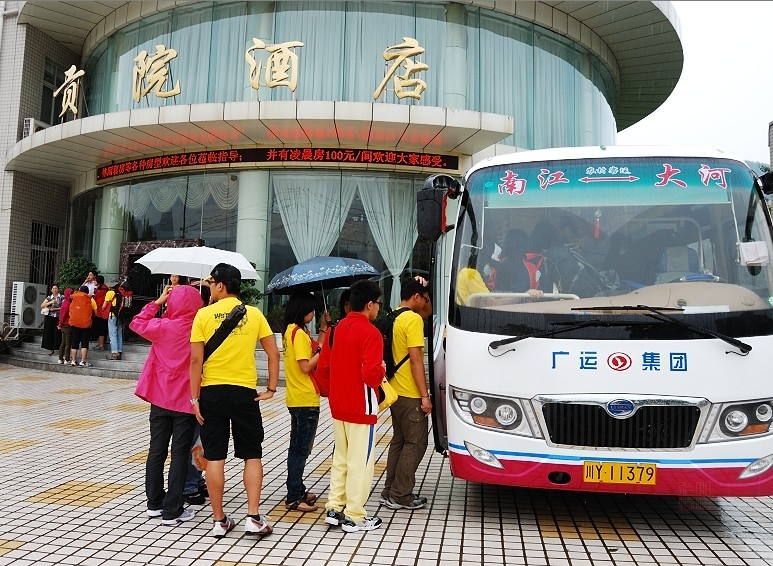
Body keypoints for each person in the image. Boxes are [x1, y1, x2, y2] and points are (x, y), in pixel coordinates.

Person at [189, 263, 280, 539]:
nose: (209, 288)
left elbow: (195, 360)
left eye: (211, 284)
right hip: (244, 393)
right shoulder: (254, 314)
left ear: (220, 285)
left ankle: (219, 521)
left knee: (215, 457)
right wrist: (271, 388)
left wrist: (194, 398)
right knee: (252, 454)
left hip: (212, 393)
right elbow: (273, 353)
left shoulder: (203, 314)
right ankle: (253, 517)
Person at [131, 284, 203, 526]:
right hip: (185, 401)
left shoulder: (162, 326)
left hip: (159, 398)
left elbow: (137, 322)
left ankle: (154, 503)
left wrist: (157, 302)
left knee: (157, 451)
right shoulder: (198, 330)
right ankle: (172, 509)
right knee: (180, 454)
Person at [324, 279, 386, 533]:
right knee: (361, 461)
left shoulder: (338, 328)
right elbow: (371, 374)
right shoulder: (371, 333)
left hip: (339, 403)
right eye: (378, 303)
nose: (379, 308)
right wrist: (382, 370)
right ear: (369, 304)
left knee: (341, 458)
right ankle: (354, 515)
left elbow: (328, 365)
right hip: (361, 406)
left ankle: (334, 507)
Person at [380, 276, 432, 511]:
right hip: (410, 393)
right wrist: (425, 396)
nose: (426, 304)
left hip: (394, 391)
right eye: (425, 298)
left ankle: (389, 490)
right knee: (416, 443)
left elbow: (427, 311)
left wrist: (425, 286)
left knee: (399, 441)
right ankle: (401, 495)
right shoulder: (413, 319)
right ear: (416, 297)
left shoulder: (394, 316)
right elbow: (415, 361)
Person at [282, 292, 329, 513]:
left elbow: (314, 349)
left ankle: (297, 489)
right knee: (300, 450)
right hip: (305, 399)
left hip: (295, 398)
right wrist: (323, 351)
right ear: (304, 311)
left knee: (296, 448)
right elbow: (306, 366)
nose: (313, 314)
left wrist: (323, 330)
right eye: (312, 310)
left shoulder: (289, 331)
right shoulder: (298, 334)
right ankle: (293, 497)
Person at [491, 228, 553, 298]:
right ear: (526, 243)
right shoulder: (532, 265)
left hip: (498, 302)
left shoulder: (497, 264)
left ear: (507, 243)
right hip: (526, 303)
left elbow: (491, 287)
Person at [69, 285, 97, 366]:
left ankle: (73, 360)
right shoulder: (90, 299)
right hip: (86, 324)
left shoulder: (74, 298)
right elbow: (96, 313)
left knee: (74, 342)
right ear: (87, 292)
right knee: (84, 343)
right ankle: (83, 361)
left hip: (75, 323)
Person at [103, 282, 127, 360]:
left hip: (112, 315)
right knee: (119, 334)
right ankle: (119, 351)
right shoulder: (121, 293)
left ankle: (114, 353)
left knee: (113, 334)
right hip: (120, 316)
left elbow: (104, 306)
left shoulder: (109, 293)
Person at [40, 284, 62, 355]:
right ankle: (50, 349)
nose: (55, 290)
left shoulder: (61, 297)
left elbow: (64, 307)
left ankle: (58, 348)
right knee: (49, 332)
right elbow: (42, 305)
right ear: (51, 290)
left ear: (58, 289)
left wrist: (55, 309)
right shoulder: (49, 297)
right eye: (53, 288)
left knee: (57, 333)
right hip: (49, 316)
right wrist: (51, 302)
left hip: (58, 317)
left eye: (56, 288)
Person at [92, 275, 109, 351]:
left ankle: (101, 345)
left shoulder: (100, 291)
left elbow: (98, 303)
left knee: (100, 329)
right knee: (102, 328)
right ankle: (101, 343)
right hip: (104, 313)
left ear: (98, 282)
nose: (94, 282)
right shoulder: (105, 289)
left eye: (95, 280)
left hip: (99, 313)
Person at [57, 288, 73, 365]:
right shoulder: (68, 304)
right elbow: (63, 316)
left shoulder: (64, 302)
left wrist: (60, 324)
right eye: (71, 294)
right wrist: (60, 324)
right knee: (68, 343)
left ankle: (60, 358)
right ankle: (67, 359)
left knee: (63, 342)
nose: (72, 295)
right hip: (67, 325)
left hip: (63, 325)